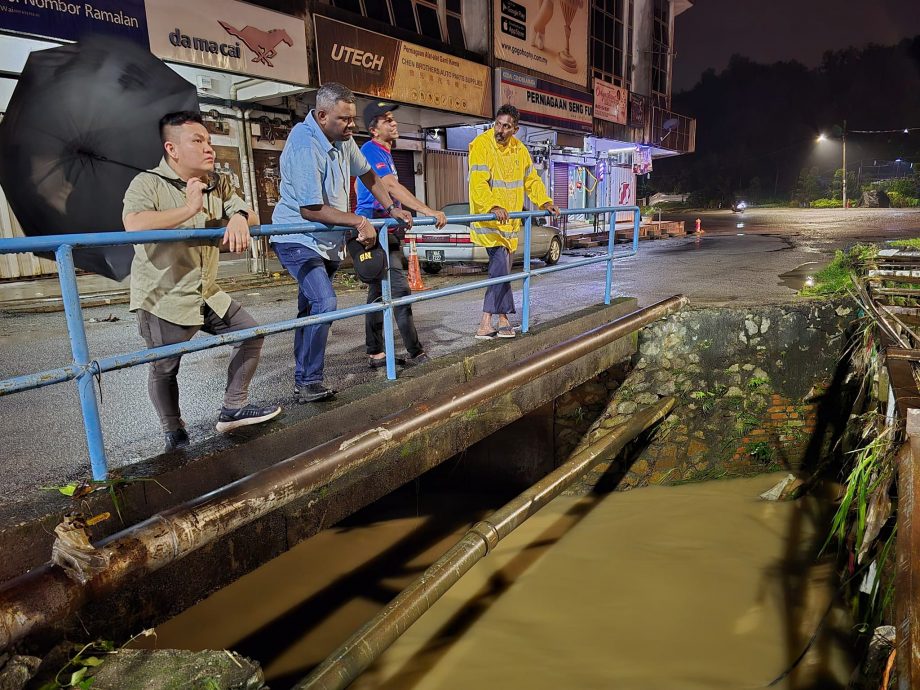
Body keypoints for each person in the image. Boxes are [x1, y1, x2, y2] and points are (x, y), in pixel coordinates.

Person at [122, 111, 281, 452]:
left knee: (251, 333)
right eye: (198, 141)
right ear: (172, 149)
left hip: (205, 291)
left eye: (209, 140)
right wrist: (189, 208)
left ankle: (233, 408)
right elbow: (133, 224)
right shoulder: (147, 183)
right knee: (165, 368)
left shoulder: (219, 182)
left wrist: (239, 217)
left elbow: (250, 213)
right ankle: (173, 430)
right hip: (163, 296)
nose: (209, 148)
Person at [271, 83, 413, 402]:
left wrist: (392, 207)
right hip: (297, 238)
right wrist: (360, 220)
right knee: (325, 303)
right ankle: (308, 381)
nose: (352, 126)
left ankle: (302, 380)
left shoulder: (343, 140)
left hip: (326, 241)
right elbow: (310, 209)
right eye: (344, 119)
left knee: (310, 310)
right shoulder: (305, 144)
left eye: (353, 119)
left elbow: (368, 176)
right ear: (322, 116)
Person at [355, 101, 447, 369]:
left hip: (387, 231)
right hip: (376, 232)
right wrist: (426, 210)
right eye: (387, 120)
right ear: (374, 129)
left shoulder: (385, 152)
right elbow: (390, 186)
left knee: (377, 293)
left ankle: (375, 352)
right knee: (400, 292)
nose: (394, 123)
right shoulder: (370, 150)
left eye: (393, 119)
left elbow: (392, 190)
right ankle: (416, 352)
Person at [468, 104, 560, 339]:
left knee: (502, 271)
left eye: (506, 126)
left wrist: (544, 202)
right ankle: (488, 321)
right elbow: (478, 183)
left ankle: (498, 320)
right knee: (500, 268)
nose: (499, 129)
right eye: (497, 124)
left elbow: (532, 180)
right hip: (490, 221)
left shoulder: (519, 150)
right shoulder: (482, 145)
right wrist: (492, 206)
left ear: (515, 129)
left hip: (509, 224)